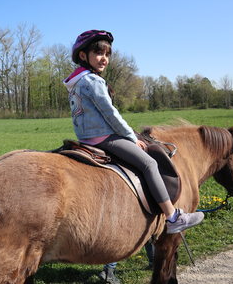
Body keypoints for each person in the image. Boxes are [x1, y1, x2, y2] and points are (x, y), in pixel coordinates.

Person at [64, 30, 204, 283]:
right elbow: (111, 115)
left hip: (87, 138)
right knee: (149, 162)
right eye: (98, 53)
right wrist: (131, 137)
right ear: (83, 55)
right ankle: (172, 217)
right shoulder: (92, 81)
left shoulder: (76, 81)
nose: (104, 58)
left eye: (107, 54)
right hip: (104, 137)